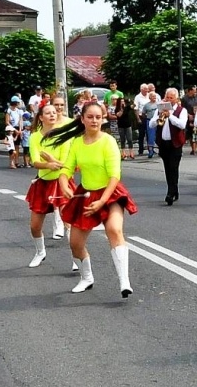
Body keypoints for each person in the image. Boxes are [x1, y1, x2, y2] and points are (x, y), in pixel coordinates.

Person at [49, 102, 137, 297]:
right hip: (87, 193)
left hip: (110, 193)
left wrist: (103, 201)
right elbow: (66, 169)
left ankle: (124, 282)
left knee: (114, 229)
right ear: (82, 119)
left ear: (103, 119)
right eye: (90, 117)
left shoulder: (108, 141)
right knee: (75, 244)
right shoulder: (77, 143)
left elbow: (115, 175)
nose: (94, 120)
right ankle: (86, 277)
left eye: (98, 117)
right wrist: (63, 184)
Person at [24, 103, 74, 267]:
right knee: (35, 226)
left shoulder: (64, 136)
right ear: (41, 117)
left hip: (62, 181)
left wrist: (52, 160)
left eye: (54, 112)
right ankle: (40, 252)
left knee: (68, 223)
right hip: (42, 183)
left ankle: (77, 258)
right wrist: (47, 165)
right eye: (48, 113)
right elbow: (35, 161)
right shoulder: (34, 137)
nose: (53, 115)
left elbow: (67, 163)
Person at [153, 88, 189, 205]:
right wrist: (159, 116)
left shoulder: (181, 110)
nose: (168, 100)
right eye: (167, 97)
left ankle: (170, 193)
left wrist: (170, 116)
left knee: (173, 168)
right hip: (163, 143)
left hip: (175, 144)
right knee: (168, 169)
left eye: (171, 98)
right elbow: (151, 123)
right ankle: (174, 190)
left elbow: (182, 125)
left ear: (176, 99)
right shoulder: (159, 109)